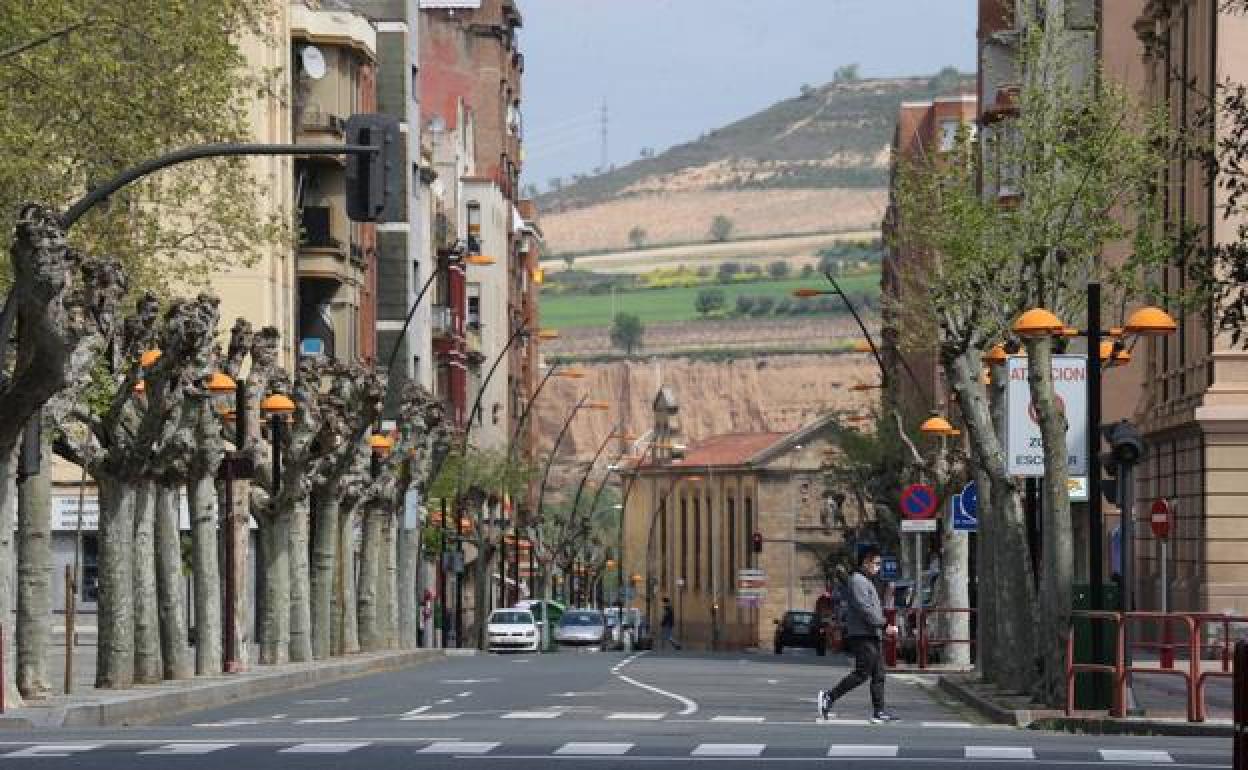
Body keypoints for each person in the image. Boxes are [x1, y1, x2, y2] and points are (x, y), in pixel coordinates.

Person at [818, 546, 898, 723]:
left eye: (879, 563)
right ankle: (829, 697)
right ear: (866, 562)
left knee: (879, 674)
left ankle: (879, 711)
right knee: (862, 672)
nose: (878, 567)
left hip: (871, 633)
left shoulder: (866, 581)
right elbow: (865, 609)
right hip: (863, 634)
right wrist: (884, 625)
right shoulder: (858, 581)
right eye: (876, 563)